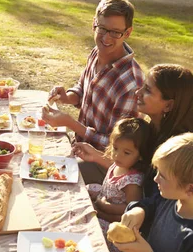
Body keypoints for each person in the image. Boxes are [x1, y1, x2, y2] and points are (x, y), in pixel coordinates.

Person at [44, 0, 144, 184]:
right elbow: (83, 90)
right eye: (103, 29)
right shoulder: (97, 51)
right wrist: (67, 97)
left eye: (115, 32)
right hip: (80, 148)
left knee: (46, 173)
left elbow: (119, 146)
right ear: (94, 24)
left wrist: (71, 124)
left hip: (105, 166)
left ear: (128, 33)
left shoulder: (130, 84)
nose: (106, 38)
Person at [74, 64, 193, 195]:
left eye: (147, 90)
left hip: (135, 209)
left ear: (168, 105)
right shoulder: (151, 128)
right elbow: (133, 169)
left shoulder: (175, 150)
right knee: (74, 168)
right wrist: (96, 155)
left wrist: (106, 209)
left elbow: (153, 200)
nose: (137, 92)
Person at [87, 118, 155, 252]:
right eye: (115, 148)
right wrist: (98, 195)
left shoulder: (132, 181)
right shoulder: (118, 165)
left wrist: (103, 207)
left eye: (127, 152)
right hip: (104, 206)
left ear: (140, 155)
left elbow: (129, 209)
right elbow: (109, 189)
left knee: (87, 224)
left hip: (115, 231)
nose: (117, 155)